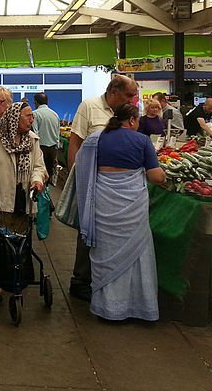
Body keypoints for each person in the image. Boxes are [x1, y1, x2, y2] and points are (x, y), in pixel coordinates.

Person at [75, 103, 166, 322]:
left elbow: (81, 166)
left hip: (103, 205)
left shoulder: (96, 139)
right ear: (133, 120)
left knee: (105, 251)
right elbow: (156, 177)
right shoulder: (142, 141)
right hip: (133, 208)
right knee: (137, 255)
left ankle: (107, 307)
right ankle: (137, 307)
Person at [67, 74, 138, 301]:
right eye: (129, 95)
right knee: (88, 230)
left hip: (120, 187)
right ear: (114, 91)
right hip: (93, 182)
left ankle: (108, 279)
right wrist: (77, 177)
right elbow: (75, 142)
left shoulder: (126, 113)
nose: (133, 100)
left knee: (112, 233)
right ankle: (80, 280)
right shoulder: (89, 106)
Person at [0, 102, 46, 305]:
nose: (32, 120)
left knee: (20, 243)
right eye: (28, 116)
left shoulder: (32, 140)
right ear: (15, 118)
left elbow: (39, 165)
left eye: (32, 116)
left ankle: (16, 279)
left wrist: (37, 179)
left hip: (23, 201)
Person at [31, 92, 59, 183]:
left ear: (35, 102)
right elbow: (57, 134)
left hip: (40, 149)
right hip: (53, 149)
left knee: (39, 175)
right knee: (49, 176)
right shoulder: (55, 114)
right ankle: (46, 194)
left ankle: (40, 195)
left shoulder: (35, 114)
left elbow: (35, 134)